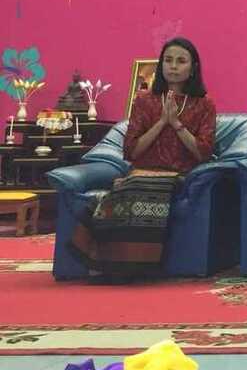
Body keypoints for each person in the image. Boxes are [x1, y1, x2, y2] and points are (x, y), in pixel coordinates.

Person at [69, 38, 216, 278]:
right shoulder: (144, 100)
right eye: (168, 60)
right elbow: (131, 151)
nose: (173, 66)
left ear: (193, 68)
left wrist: (176, 123)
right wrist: (162, 122)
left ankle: (130, 266)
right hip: (141, 171)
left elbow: (203, 152)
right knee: (122, 189)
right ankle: (105, 261)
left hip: (179, 174)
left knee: (140, 187)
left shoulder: (204, 103)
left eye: (181, 61)